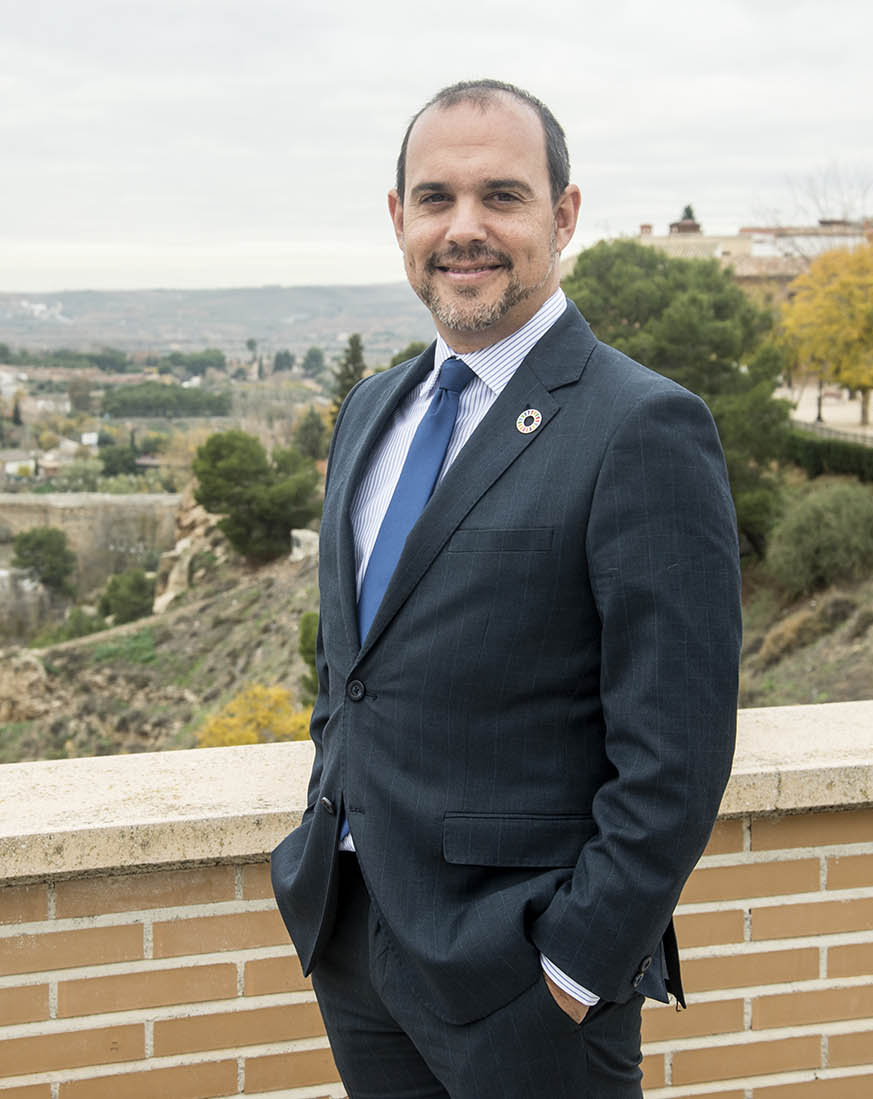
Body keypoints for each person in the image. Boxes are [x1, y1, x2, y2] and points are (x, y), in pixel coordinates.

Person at [270, 78, 741, 1098]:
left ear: (562, 216)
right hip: (354, 937)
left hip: (521, 974)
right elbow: (348, 667)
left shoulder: (639, 425)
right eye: (435, 198)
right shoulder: (371, 409)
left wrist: (572, 968)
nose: (464, 228)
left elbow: (677, 748)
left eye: (502, 197)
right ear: (398, 219)